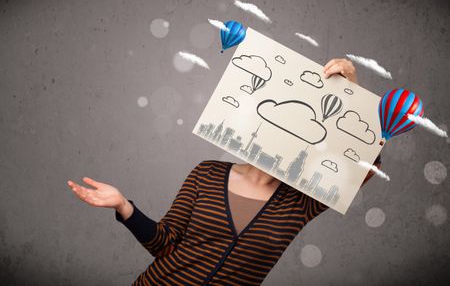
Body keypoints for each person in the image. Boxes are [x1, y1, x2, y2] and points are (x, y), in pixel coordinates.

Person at [68, 58, 382, 286]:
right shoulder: (207, 174)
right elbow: (164, 243)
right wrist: (124, 206)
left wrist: (350, 92)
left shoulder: (301, 201)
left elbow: (362, 166)